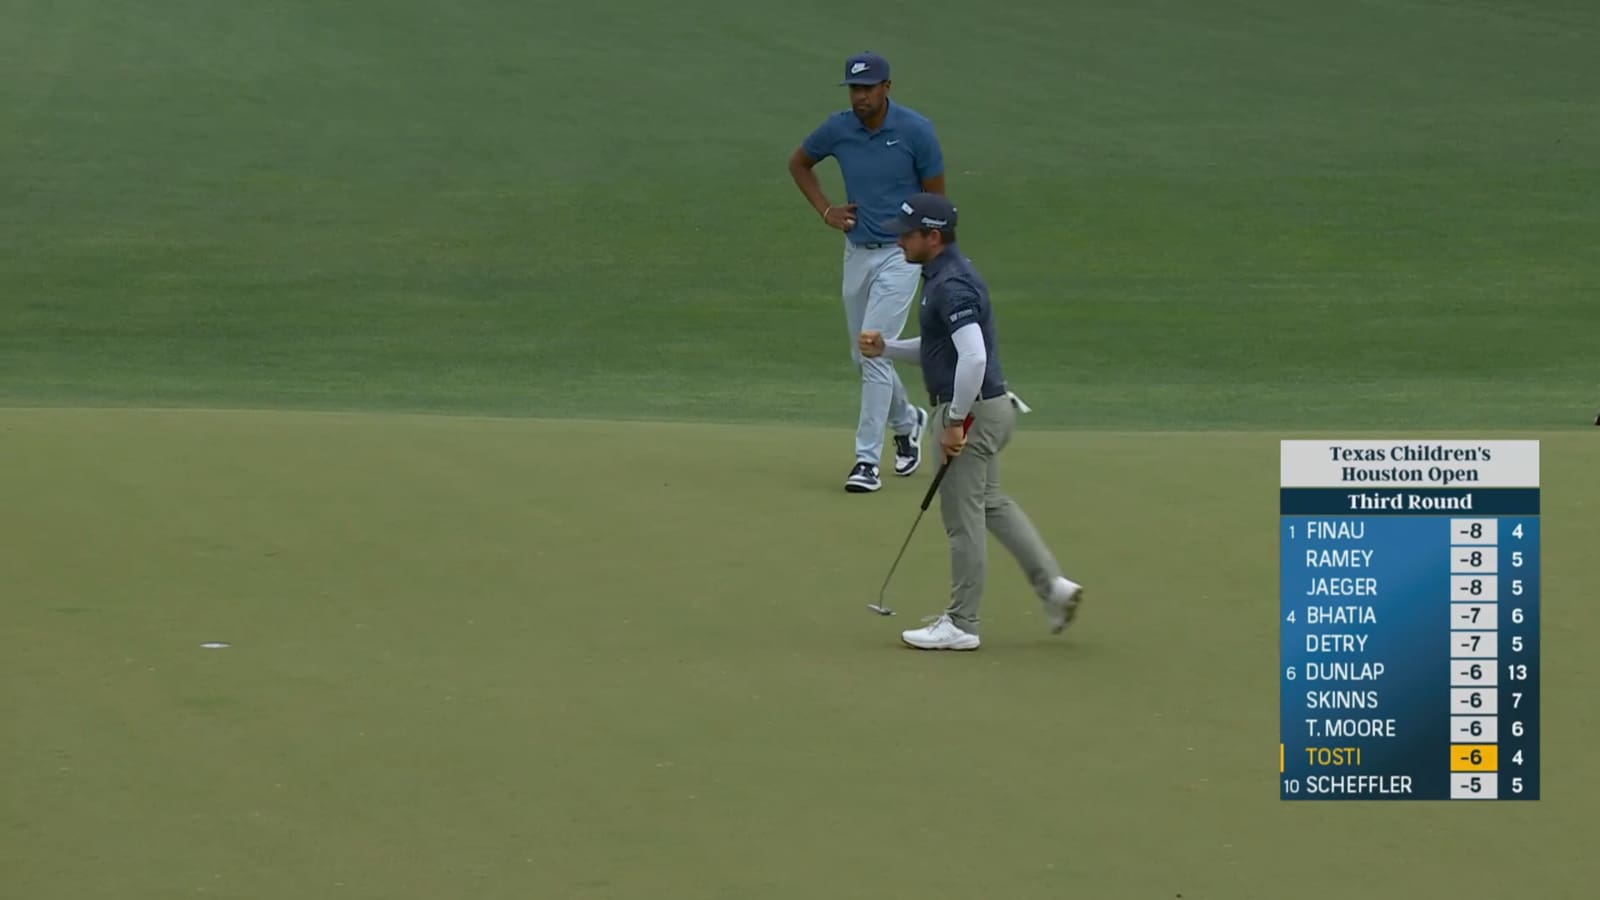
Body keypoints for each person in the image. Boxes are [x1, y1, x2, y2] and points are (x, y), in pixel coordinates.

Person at [859, 193, 1085, 650]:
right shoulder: (944, 275)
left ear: (933, 237)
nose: (899, 241)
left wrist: (955, 422)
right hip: (992, 409)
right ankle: (1054, 588)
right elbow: (942, 350)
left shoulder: (951, 285)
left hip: (973, 412)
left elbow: (974, 358)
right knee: (990, 503)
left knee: (962, 522)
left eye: (908, 234)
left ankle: (963, 624)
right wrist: (889, 348)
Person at [788, 51, 946, 493]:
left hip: (901, 255)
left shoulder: (917, 131)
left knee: (873, 348)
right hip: (857, 252)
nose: (860, 97)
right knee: (863, 356)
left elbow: (937, 204)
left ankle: (866, 461)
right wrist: (826, 211)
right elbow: (798, 163)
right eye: (855, 89)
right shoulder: (838, 128)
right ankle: (907, 419)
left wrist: (934, 261)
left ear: (887, 88)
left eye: (868, 88)